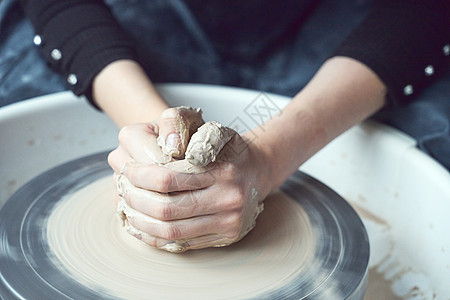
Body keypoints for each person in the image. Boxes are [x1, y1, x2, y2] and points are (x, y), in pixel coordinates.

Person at [2, 0, 448, 250]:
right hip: (145, 13)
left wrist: (271, 155)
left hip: (347, 22)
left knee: (436, 141)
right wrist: (156, 138)